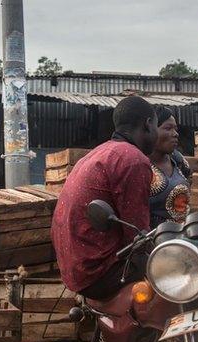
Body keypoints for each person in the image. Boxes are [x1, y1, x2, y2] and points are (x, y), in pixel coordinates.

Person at [51, 95, 159, 300]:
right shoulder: (133, 160)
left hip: (74, 269)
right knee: (181, 271)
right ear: (148, 125)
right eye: (157, 126)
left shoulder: (98, 153)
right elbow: (137, 236)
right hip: (99, 272)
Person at [148, 106, 192, 228]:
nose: (175, 134)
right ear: (150, 130)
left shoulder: (179, 160)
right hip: (153, 240)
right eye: (168, 128)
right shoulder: (140, 164)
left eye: (175, 129)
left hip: (183, 236)